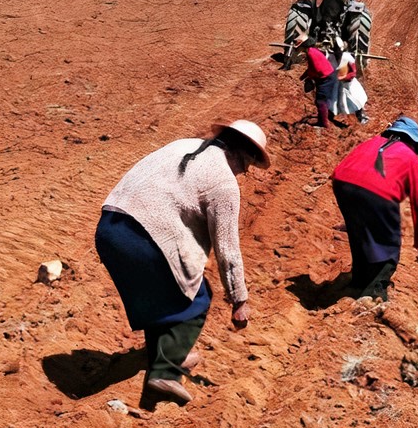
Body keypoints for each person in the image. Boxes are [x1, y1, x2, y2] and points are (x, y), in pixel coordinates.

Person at [94, 120, 270, 405]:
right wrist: (239, 299)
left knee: (162, 294)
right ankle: (165, 372)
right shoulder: (224, 182)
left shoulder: (183, 146)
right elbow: (227, 248)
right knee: (196, 298)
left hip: (109, 227)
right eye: (247, 165)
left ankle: (167, 355)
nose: (243, 172)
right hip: (143, 237)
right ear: (241, 153)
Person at [330, 117, 418, 303]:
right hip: (378, 192)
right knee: (388, 243)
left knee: (359, 233)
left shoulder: (371, 142)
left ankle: (359, 281)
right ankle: (375, 293)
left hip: (342, 183)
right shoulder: (411, 158)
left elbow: (348, 165)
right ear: (412, 141)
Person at [299, 38, 337, 128]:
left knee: (320, 101)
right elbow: (312, 67)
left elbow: (318, 69)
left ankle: (323, 123)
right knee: (326, 98)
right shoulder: (314, 51)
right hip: (330, 75)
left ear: (304, 46)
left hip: (325, 79)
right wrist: (304, 76)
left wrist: (310, 78)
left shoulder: (311, 54)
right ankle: (328, 116)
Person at [332, 47, 369, 125]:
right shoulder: (331, 56)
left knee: (354, 100)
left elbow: (353, 73)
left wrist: (343, 78)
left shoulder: (347, 58)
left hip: (348, 84)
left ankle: (361, 116)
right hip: (336, 83)